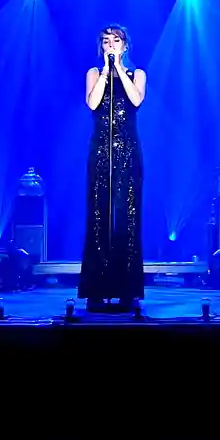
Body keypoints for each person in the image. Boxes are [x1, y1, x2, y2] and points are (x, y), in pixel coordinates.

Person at [78, 24, 147, 313]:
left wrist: (118, 69)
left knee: (126, 217)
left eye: (115, 41)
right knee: (98, 215)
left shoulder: (137, 74)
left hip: (128, 152)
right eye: (106, 42)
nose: (110, 45)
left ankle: (126, 289)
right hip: (101, 152)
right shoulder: (93, 74)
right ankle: (97, 288)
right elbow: (93, 103)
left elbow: (135, 99)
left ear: (125, 46)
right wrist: (106, 72)